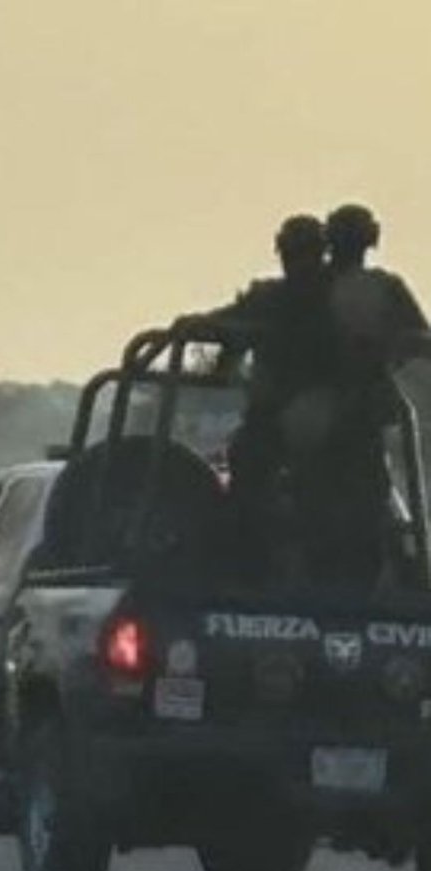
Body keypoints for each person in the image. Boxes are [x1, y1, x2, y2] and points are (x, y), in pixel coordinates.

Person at [180, 214, 334, 581]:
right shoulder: (275, 300)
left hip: (332, 429)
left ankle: (247, 559)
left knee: (254, 468)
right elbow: (226, 331)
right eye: (294, 254)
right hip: (290, 425)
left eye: (305, 253)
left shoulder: (334, 301)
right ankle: (249, 557)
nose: (298, 263)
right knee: (249, 466)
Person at [293, 204, 429, 586]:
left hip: (328, 417)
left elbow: (418, 341)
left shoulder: (307, 286)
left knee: (349, 501)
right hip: (340, 417)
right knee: (360, 502)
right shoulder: (376, 289)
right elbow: (419, 340)